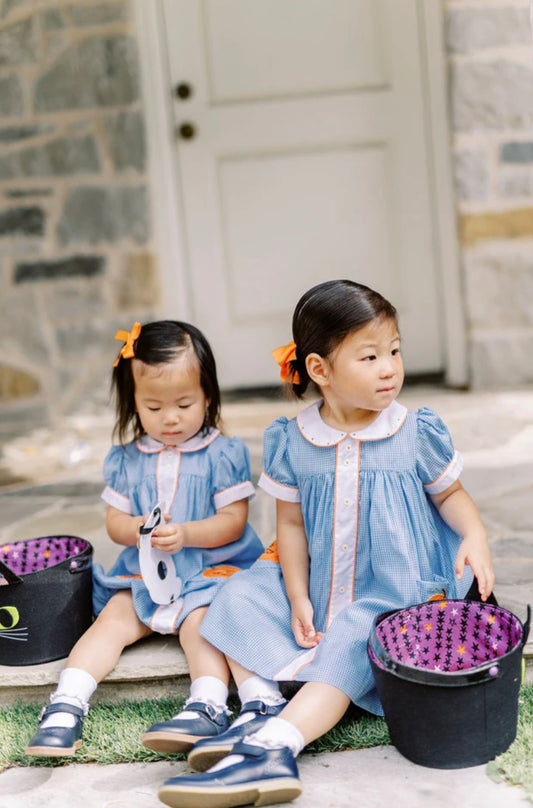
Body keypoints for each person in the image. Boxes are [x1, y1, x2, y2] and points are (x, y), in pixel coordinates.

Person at [157, 280, 495, 808]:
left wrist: (474, 535)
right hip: (317, 580)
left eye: (394, 351)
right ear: (319, 369)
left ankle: (275, 747)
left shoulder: (413, 431)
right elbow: (291, 526)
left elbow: (450, 493)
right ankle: (260, 703)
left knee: (358, 638)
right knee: (237, 596)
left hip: (393, 590)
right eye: (370, 357)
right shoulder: (293, 439)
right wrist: (296, 596)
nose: (390, 368)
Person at [25, 320, 264, 757]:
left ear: (208, 396)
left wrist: (188, 533)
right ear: (133, 403)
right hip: (144, 574)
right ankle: (66, 704)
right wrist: (137, 528)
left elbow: (233, 521)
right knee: (111, 620)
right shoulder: (127, 460)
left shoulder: (221, 454)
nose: (170, 417)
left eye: (184, 403)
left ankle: (208, 704)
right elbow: (114, 522)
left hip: (209, 573)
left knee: (202, 624)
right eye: (153, 406)